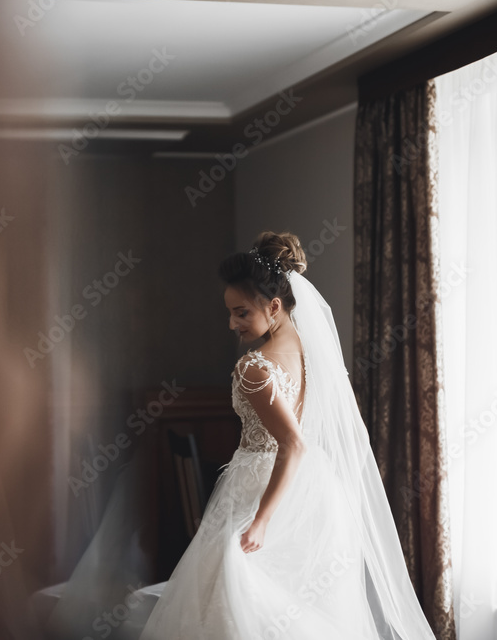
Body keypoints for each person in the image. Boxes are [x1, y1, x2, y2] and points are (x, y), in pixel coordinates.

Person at [138, 231, 438, 640]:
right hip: (318, 494)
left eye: (242, 313)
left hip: (267, 491)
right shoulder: (315, 351)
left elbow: (292, 442)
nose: (232, 324)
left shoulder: (254, 368)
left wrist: (260, 521)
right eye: (229, 313)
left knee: (238, 591)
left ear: (274, 306)